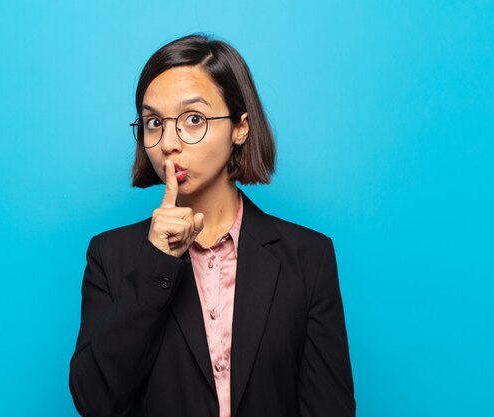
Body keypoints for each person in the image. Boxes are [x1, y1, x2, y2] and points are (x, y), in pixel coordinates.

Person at [69, 33, 356, 417]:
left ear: (240, 127)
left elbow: (329, 407)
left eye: (193, 119)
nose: (168, 142)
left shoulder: (308, 256)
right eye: (154, 122)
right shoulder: (111, 255)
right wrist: (157, 264)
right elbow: (95, 402)